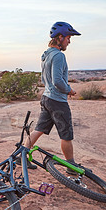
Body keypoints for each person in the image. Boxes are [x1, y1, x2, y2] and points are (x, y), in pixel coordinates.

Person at [24, 21, 81, 172]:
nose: (69, 41)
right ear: (60, 37)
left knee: (39, 129)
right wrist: (69, 90)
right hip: (57, 101)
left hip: (46, 98)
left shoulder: (46, 55)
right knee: (66, 134)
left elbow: (45, 80)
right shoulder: (59, 56)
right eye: (68, 38)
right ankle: (71, 166)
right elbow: (57, 81)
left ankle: (21, 156)